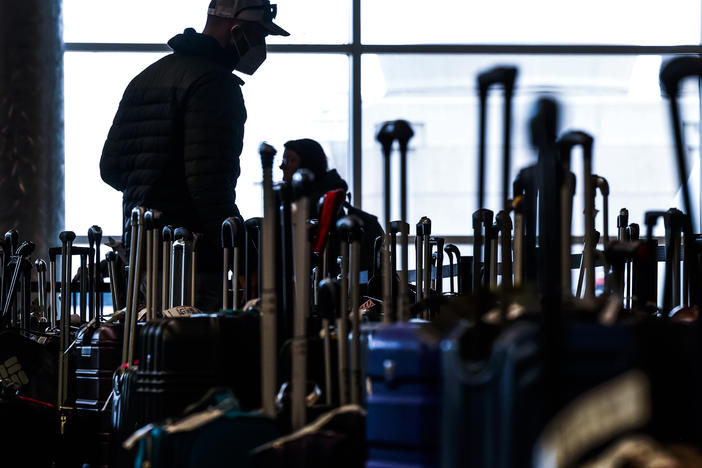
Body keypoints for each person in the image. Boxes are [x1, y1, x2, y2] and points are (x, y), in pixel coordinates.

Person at [99, 0, 288, 311]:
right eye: (259, 35)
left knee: (153, 352)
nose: (261, 46)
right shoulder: (215, 84)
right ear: (236, 31)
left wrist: (155, 188)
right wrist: (246, 262)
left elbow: (110, 169)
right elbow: (210, 188)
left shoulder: (147, 77)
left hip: (142, 257)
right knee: (192, 352)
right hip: (190, 261)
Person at [280, 138, 384, 273]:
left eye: (290, 160)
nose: (282, 166)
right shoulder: (327, 201)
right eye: (283, 160)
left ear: (308, 166)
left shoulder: (315, 206)